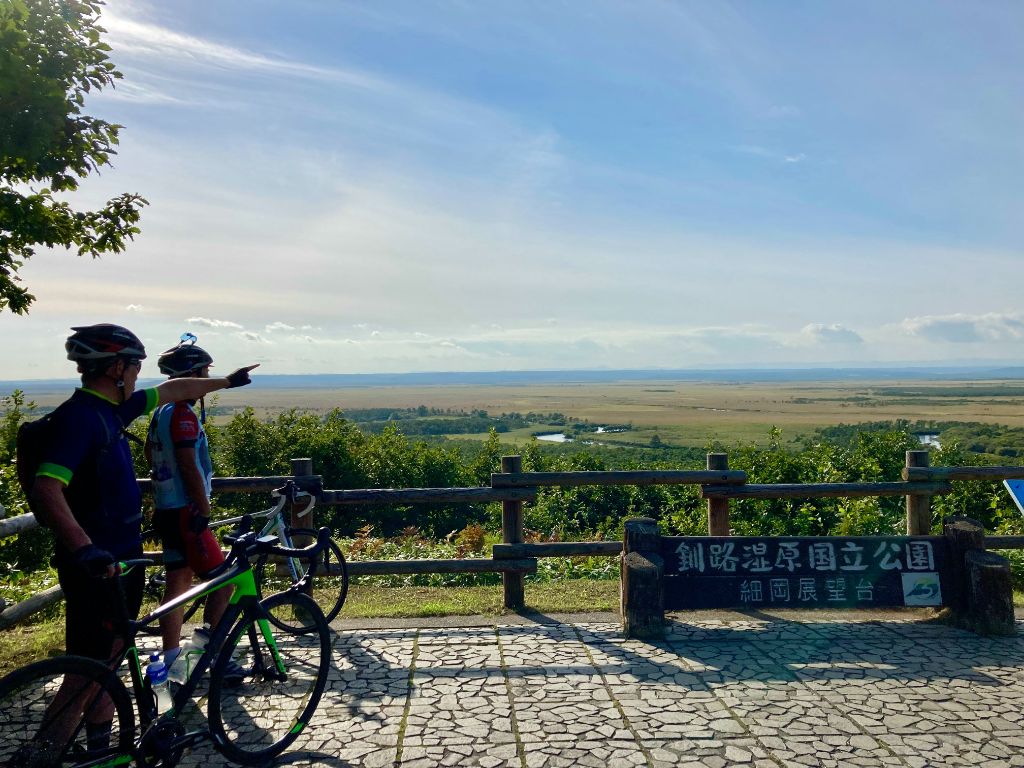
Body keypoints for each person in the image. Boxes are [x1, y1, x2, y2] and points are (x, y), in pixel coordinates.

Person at [29, 324, 257, 758]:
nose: (138, 373)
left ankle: (102, 747)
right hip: (99, 563)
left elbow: (173, 388)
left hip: (121, 559)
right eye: (134, 365)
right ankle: (39, 754)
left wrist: (226, 381)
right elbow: (46, 488)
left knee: (112, 657)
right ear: (115, 367)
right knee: (88, 668)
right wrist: (84, 546)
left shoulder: (113, 409)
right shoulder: (81, 419)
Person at [145, 335, 238, 680]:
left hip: (166, 509)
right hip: (187, 512)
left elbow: (149, 457)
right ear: (190, 375)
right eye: (203, 374)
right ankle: (209, 656)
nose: (206, 381)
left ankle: (172, 657)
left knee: (178, 584)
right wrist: (204, 508)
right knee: (224, 583)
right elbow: (188, 464)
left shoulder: (160, 412)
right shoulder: (182, 415)